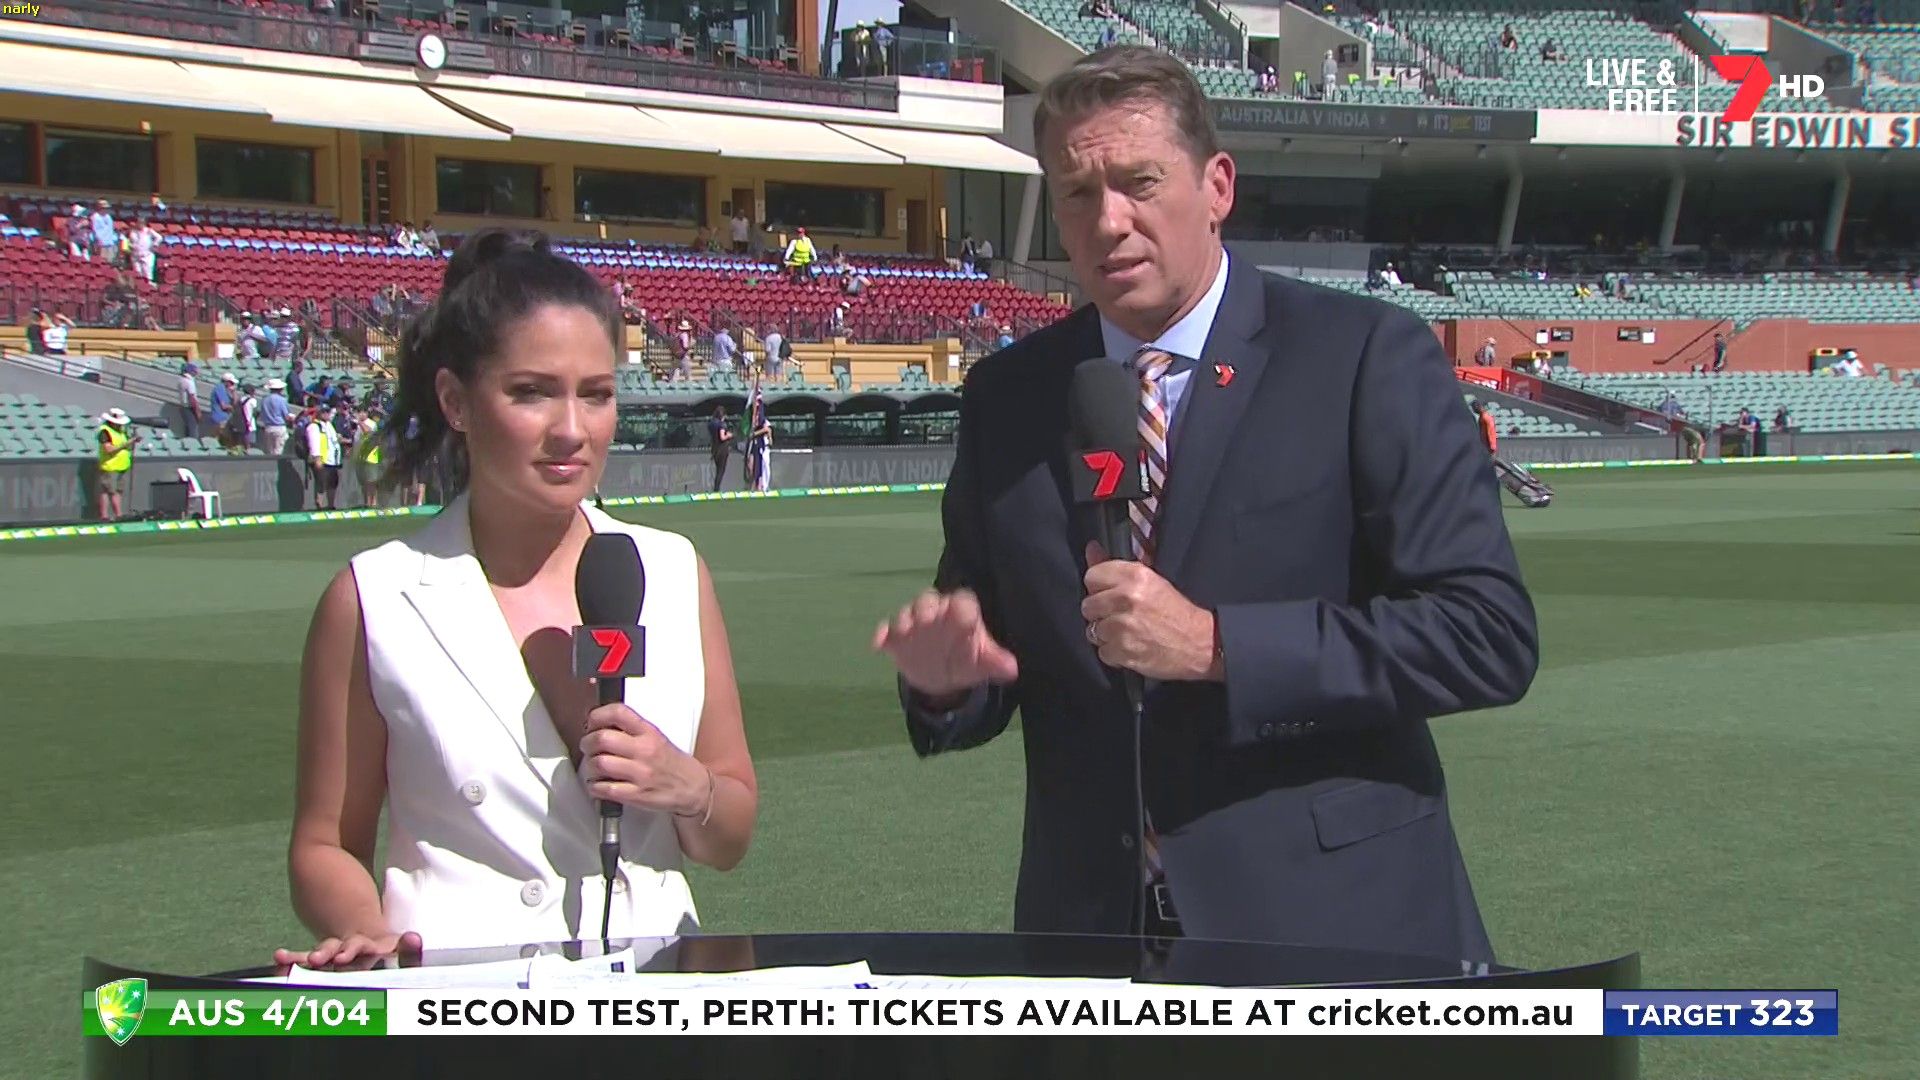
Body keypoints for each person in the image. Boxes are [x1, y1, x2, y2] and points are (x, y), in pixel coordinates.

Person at [872, 47, 1536, 955]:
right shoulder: (1009, 398)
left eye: (1139, 183)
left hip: (1334, 937)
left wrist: (1219, 647)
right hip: (1095, 952)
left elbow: (1486, 635)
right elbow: (995, 648)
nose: (1109, 220)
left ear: (1217, 186)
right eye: (1077, 193)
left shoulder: (1362, 357)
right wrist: (947, 680)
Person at [274, 229, 758, 971]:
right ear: (456, 402)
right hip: (460, 1003)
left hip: (658, 1001)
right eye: (532, 392)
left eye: (597, 395)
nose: (572, 430)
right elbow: (324, 844)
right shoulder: (375, 597)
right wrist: (364, 927)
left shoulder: (673, 570)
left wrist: (689, 788)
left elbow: (730, 832)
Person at [95, 408, 138, 521]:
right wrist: (126, 444)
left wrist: (131, 443)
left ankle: (117, 515)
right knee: (109, 491)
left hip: (121, 466)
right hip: (110, 466)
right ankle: (111, 515)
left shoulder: (122, 432)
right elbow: (109, 449)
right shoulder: (105, 432)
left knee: (118, 491)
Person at [707, 405, 734, 491]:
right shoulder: (721, 424)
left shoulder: (711, 424)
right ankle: (717, 488)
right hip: (722, 449)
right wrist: (729, 435)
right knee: (720, 470)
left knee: (717, 468)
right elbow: (722, 437)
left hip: (715, 448)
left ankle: (716, 487)